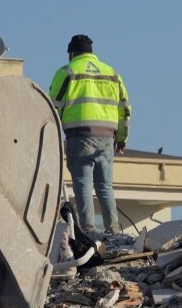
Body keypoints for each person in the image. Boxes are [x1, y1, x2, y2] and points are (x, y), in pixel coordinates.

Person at [49, 34, 131, 239]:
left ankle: (88, 230)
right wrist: (122, 138)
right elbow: (125, 109)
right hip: (107, 138)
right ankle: (113, 230)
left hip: (79, 136)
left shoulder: (67, 72)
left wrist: (51, 134)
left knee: (83, 183)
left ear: (72, 53)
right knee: (105, 186)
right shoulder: (112, 73)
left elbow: (52, 107)